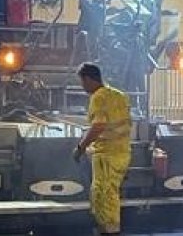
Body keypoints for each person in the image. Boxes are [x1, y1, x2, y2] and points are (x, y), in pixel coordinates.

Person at [73, 62, 131, 236]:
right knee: (111, 192)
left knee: (104, 195)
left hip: (106, 155)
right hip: (122, 153)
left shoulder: (98, 97)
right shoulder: (119, 95)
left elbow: (98, 126)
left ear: (88, 79)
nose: (82, 86)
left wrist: (81, 147)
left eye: (82, 82)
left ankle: (109, 231)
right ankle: (108, 229)